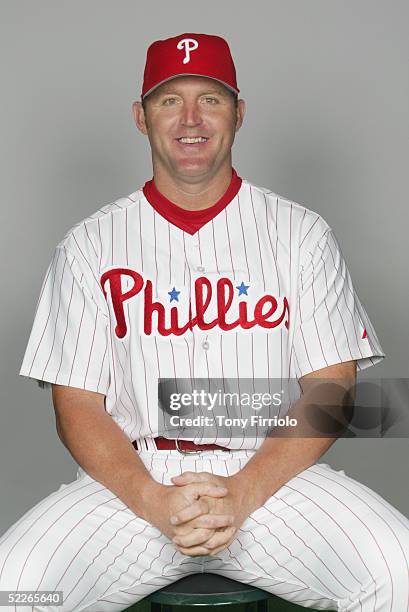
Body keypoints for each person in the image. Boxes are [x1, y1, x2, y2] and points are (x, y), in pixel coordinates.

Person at [1, 32, 408, 612]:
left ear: (238, 114)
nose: (190, 118)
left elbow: (332, 387)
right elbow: (78, 407)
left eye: (210, 99)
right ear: (141, 118)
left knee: (400, 571)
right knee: (16, 587)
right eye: (170, 100)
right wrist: (149, 498)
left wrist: (243, 492)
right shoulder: (90, 245)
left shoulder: (300, 234)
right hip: (136, 482)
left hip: (269, 478)